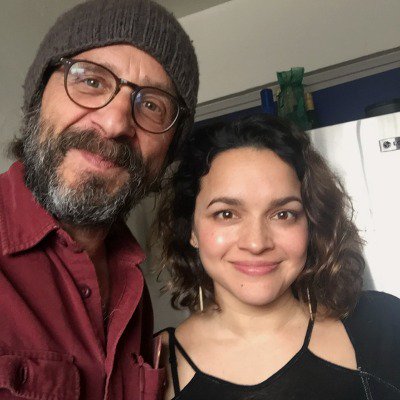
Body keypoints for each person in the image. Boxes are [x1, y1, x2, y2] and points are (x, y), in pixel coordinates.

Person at [0, 0, 198, 398]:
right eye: (91, 81)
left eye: (152, 105)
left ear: (168, 150)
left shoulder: (134, 287)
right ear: (38, 96)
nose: (114, 123)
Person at [156, 114, 400, 399]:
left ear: (310, 223)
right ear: (191, 230)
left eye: (283, 214)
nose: (256, 243)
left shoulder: (385, 324)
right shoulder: (153, 366)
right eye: (226, 214)